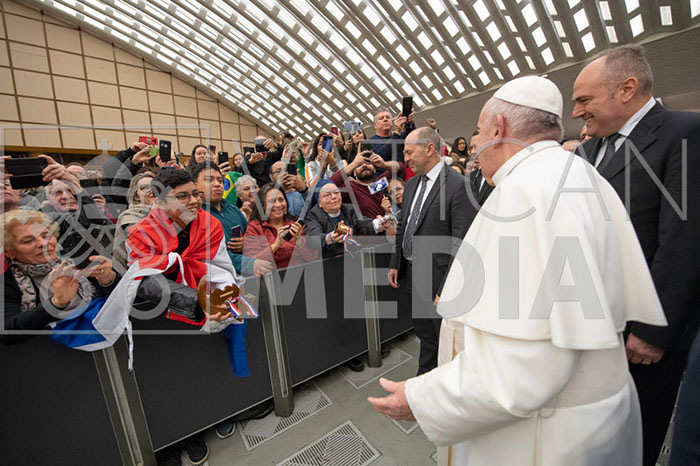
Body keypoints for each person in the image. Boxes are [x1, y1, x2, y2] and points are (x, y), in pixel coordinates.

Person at [369, 75, 667, 466]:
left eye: (479, 131)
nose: (476, 144)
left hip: (546, 433)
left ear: (498, 128)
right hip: (587, 414)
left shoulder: (527, 193)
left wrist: (423, 399)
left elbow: (523, 367)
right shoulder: (573, 173)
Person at [572, 44, 700, 466]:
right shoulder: (590, 150)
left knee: (633, 439)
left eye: (583, 99)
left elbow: (685, 242)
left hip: (642, 334)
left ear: (626, 88)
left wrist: (652, 331)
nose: (576, 112)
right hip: (593, 324)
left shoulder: (685, 134)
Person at [121, 168, 243, 465]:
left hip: (208, 306)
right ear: (160, 201)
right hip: (160, 314)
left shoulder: (210, 223)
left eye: (195, 194)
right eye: (183, 196)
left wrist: (225, 295)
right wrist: (197, 300)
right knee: (168, 378)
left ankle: (210, 419)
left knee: (206, 366)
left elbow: (222, 265)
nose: (193, 201)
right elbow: (144, 280)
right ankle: (172, 439)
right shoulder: (141, 233)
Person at [386, 127, 470, 376]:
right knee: (425, 334)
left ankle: (447, 383)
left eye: (409, 152)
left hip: (439, 279)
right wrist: (396, 261)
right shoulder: (412, 184)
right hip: (413, 273)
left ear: (430, 148)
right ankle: (426, 380)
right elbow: (404, 225)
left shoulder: (458, 185)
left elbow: (461, 242)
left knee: (445, 337)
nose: (405, 159)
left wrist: (446, 287)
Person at [2, 209, 117, 345]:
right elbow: (7, 333)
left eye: (46, 235)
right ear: (9, 251)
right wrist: (56, 303)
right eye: (28, 241)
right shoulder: (7, 281)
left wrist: (109, 279)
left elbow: (126, 300)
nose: (43, 243)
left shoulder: (74, 258)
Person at [194, 162, 273, 278]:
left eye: (220, 180)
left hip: (250, 276)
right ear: (195, 185)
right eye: (209, 180)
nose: (217, 184)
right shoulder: (196, 216)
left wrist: (246, 242)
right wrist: (247, 264)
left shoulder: (233, 209)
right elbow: (211, 255)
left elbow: (255, 236)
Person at [40, 156, 114, 269]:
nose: (66, 197)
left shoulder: (101, 220)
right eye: (58, 193)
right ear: (48, 198)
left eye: (71, 191)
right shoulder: (43, 220)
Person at [305, 180, 387, 259]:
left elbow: (362, 224)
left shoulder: (349, 209)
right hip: (329, 261)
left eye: (336, 192)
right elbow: (313, 238)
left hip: (353, 257)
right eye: (327, 195)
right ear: (319, 202)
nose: (334, 197)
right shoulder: (313, 216)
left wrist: (378, 223)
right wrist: (330, 237)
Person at [243, 184, 316, 269]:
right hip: (271, 275)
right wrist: (275, 246)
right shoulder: (254, 227)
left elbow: (313, 258)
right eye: (272, 201)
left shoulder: (294, 224)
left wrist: (300, 242)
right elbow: (251, 262)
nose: (278, 205)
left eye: (281, 200)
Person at [330, 151, 405, 219]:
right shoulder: (350, 187)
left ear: (374, 169)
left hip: (389, 226)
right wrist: (353, 164)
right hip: (365, 228)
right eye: (359, 165)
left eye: (368, 163)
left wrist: (384, 164)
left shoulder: (380, 182)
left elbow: (400, 168)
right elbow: (328, 186)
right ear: (354, 173)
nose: (364, 165)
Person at [113, 173, 155, 273]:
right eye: (145, 188)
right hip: (133, 274)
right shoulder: (129, 216)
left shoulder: (167, 213)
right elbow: (145, 240)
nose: (151, 190)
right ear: (136, 196)